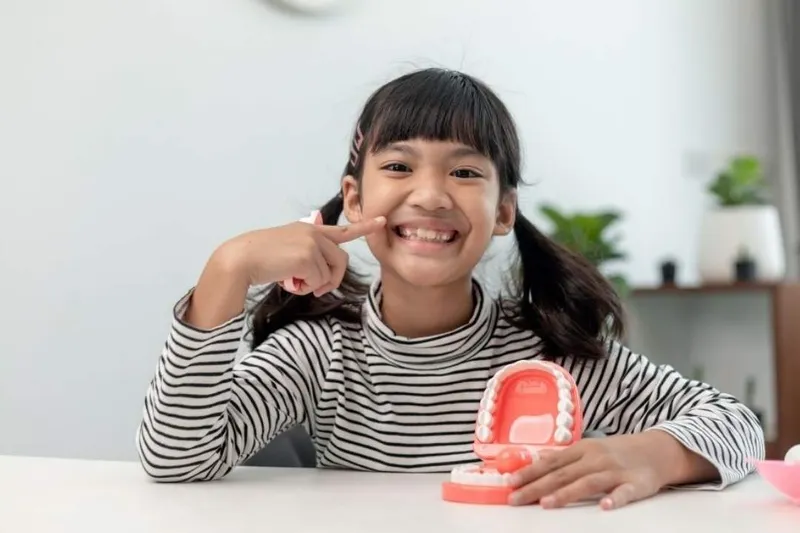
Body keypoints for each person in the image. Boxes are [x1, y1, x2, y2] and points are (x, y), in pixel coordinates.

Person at [135, 67, 765, 510]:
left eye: (465, 171)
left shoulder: (551, 359)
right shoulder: (319, 355)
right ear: (354, 196)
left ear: (503, 211)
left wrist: (652, 457)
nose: (431, 195)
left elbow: (736, 424)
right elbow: (177, 458)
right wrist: (227, 267)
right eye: (398, 167)